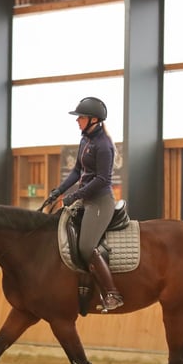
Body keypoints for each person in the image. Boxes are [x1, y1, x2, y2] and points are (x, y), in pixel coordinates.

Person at [47, 96, 124, 311]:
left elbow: (103, 180)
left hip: (100, 201)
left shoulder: (104, 145)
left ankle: (112, 294)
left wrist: (75, 195)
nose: (77, 120)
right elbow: (77, 171)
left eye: (80, 117)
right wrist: (59, 191)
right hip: (85, 198)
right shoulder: (85, 140)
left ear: (93, 120)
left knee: (87, 246)